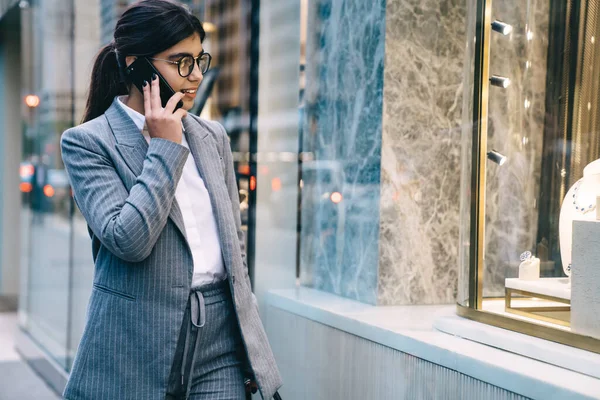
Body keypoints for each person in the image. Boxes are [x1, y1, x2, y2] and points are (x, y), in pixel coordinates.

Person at [60, 1, 282, 399]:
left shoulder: (211, 136)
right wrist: (164, 147)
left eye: (199, 60)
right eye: (181, 62)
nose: (195, 75)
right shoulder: (88, 142)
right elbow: (128, 240)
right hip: (135, 343)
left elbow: (234, 250)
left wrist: (253, 350)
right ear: (136, 65)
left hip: (219, 347)